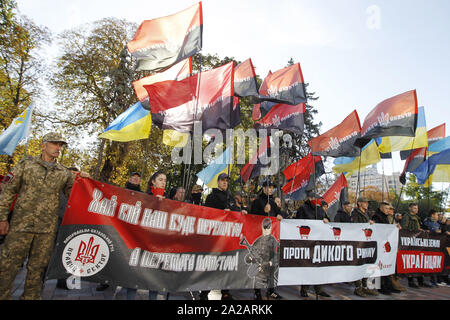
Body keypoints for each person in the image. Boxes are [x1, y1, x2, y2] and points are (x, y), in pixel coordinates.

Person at [0, 132, 90, 300]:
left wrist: (84, 181)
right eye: (55, 144)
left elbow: (75, 195)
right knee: (7, 265)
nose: (58, 148)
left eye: (60, 145)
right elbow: (8, 191)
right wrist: (2, 218)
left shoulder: (63, 172)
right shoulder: (26, 165)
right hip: (20, 225)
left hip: (46, 230)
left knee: (38, 269)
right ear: (43, 145)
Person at [199, 173, 243, 300]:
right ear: (217, 182)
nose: (224, 182)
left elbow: (236, 212)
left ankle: (225, 291)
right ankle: (204, 292)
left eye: (226, 181)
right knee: (211, 265)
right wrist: (221, 213)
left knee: (226, 265)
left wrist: (241, 212)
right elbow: (207, 214)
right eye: (222, 180)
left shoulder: (230, 197)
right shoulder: (211, 197)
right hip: (215, 236)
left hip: (227, 236)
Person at [250, 180, 284, 300]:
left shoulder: (273, 203)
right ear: (263, 188)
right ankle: (257, 292)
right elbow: (252, 216)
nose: (270, 190)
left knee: (271, 267)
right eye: (268, 187)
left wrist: (280, 215)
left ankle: (271, 290)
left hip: (272, 239)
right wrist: (263, 212)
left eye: (272, 188)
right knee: (259, 267)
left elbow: (280, 213)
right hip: (259, 238)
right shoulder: (257, 201)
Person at [295, 190, 331, 298]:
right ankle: (304, 289)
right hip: (307, 241)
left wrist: (326, 220)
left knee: (318, 264)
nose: (318, 201)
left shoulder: (320, 209)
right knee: (308, 265)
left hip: (319, 240)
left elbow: (327, 219)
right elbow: (298, 222)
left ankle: (318, 289)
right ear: (310, 199)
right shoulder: (302, 208)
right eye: (316, 199)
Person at [55, 167, 80, 290]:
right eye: (71, 173)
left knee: (68, 254)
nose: (73, 176)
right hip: (56, 225)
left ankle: (63, 279)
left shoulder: (79, 190)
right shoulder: (58, 187)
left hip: (71, 226)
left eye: (76, 174)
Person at [351, 197, 379, 298]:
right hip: (359, 243)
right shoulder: (355, 213)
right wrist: (367, 224)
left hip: (367, 242)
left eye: (367, 202)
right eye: (365, 202)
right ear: (359, 203)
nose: (367, 204)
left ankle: (366, 286)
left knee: (367, 264)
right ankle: (358, 288)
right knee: (359, 264)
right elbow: (355, 226)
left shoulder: (366, 213)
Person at [371, 202, 401, 295]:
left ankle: (388, 285)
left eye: (389, 208)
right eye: (386, 208)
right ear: (381, 208)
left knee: (386, 265)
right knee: (379, 265)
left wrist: (394, 227)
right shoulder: (376, 217)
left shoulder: (385, 217)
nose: (388, 210)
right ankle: (380, 286)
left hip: (385, 244)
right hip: (379, 244)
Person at [401, 203, 433, 288]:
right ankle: (410, 281)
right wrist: (416, 230)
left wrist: (423, 231)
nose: (416, 210)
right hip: (411, 241)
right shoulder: (406, 217)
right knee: (411, 260)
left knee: (419, 260)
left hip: (418, 241)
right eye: (414, 208)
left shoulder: (417, 217)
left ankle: (420, 281)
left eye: (417, 208)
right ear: (410, 208)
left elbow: (420, 227)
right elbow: (404, 229)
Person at [422, 209, 442, 287]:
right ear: (432, 215)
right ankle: (427, 280)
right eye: (437, 214)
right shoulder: (426, 222)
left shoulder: (438, 223)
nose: (438, 216)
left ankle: (434, 280)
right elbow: (424, 231)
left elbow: (440, 231)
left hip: (436, 245)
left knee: (434, 263)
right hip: (427, 245)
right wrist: (433, 231)